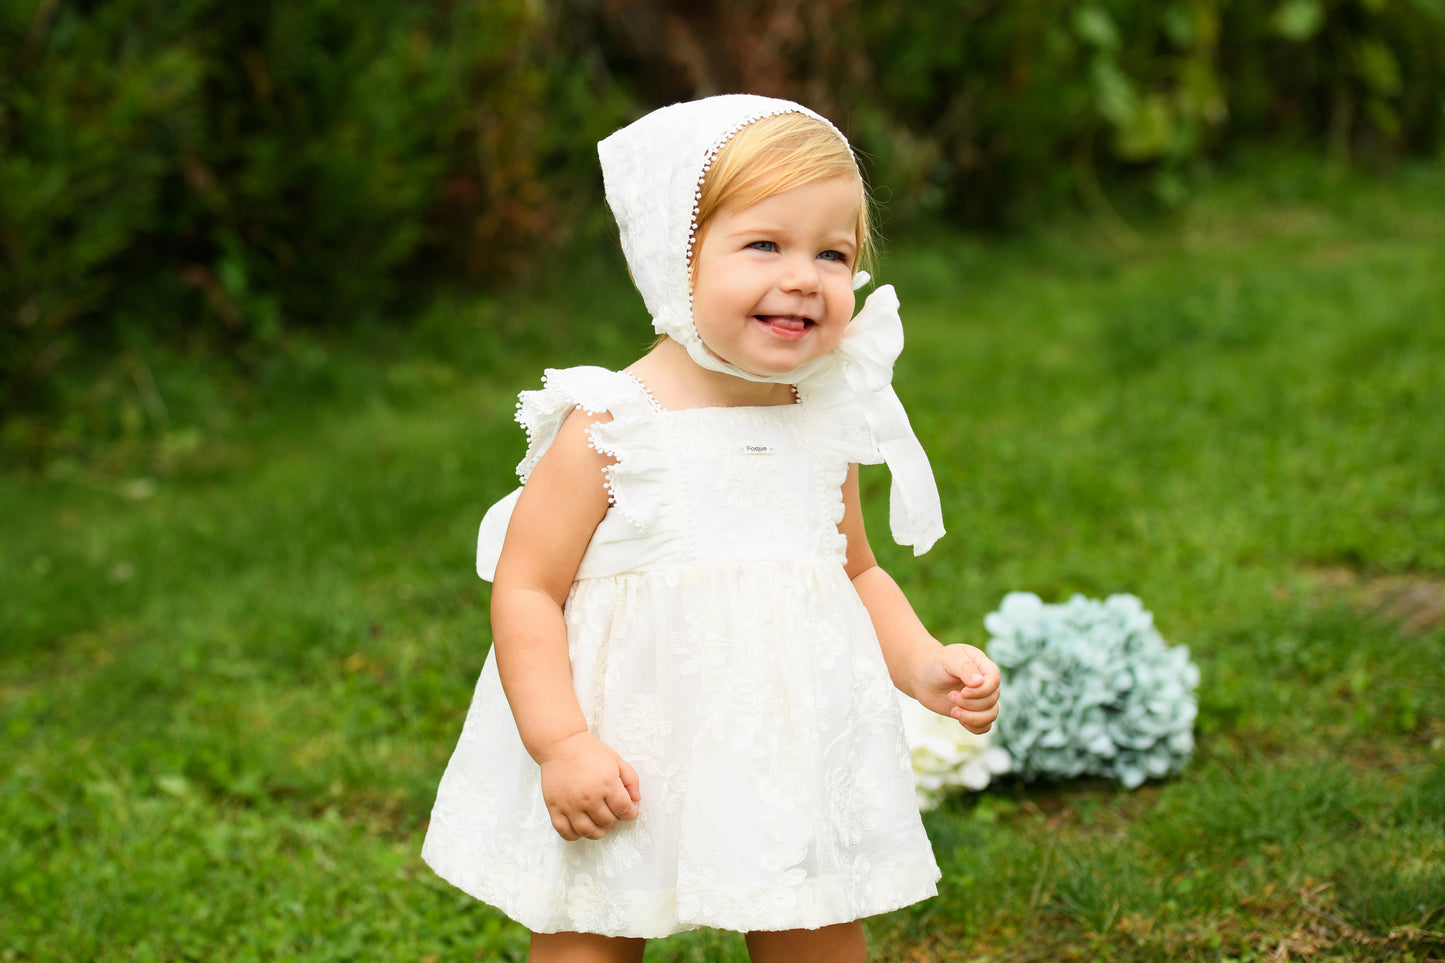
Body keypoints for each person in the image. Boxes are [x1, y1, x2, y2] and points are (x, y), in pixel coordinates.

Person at [421, 94, 1001, 963]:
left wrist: (922, 662)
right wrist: (563, 742)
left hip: (787, 736)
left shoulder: (820, 419)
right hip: (627, 745)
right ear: (672, 257)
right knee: (594, 928)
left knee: (815, 921)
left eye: (832, 253)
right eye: (764, 243)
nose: (804, 276)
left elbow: (854, 570)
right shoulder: (614, 424)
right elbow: (528, 584)